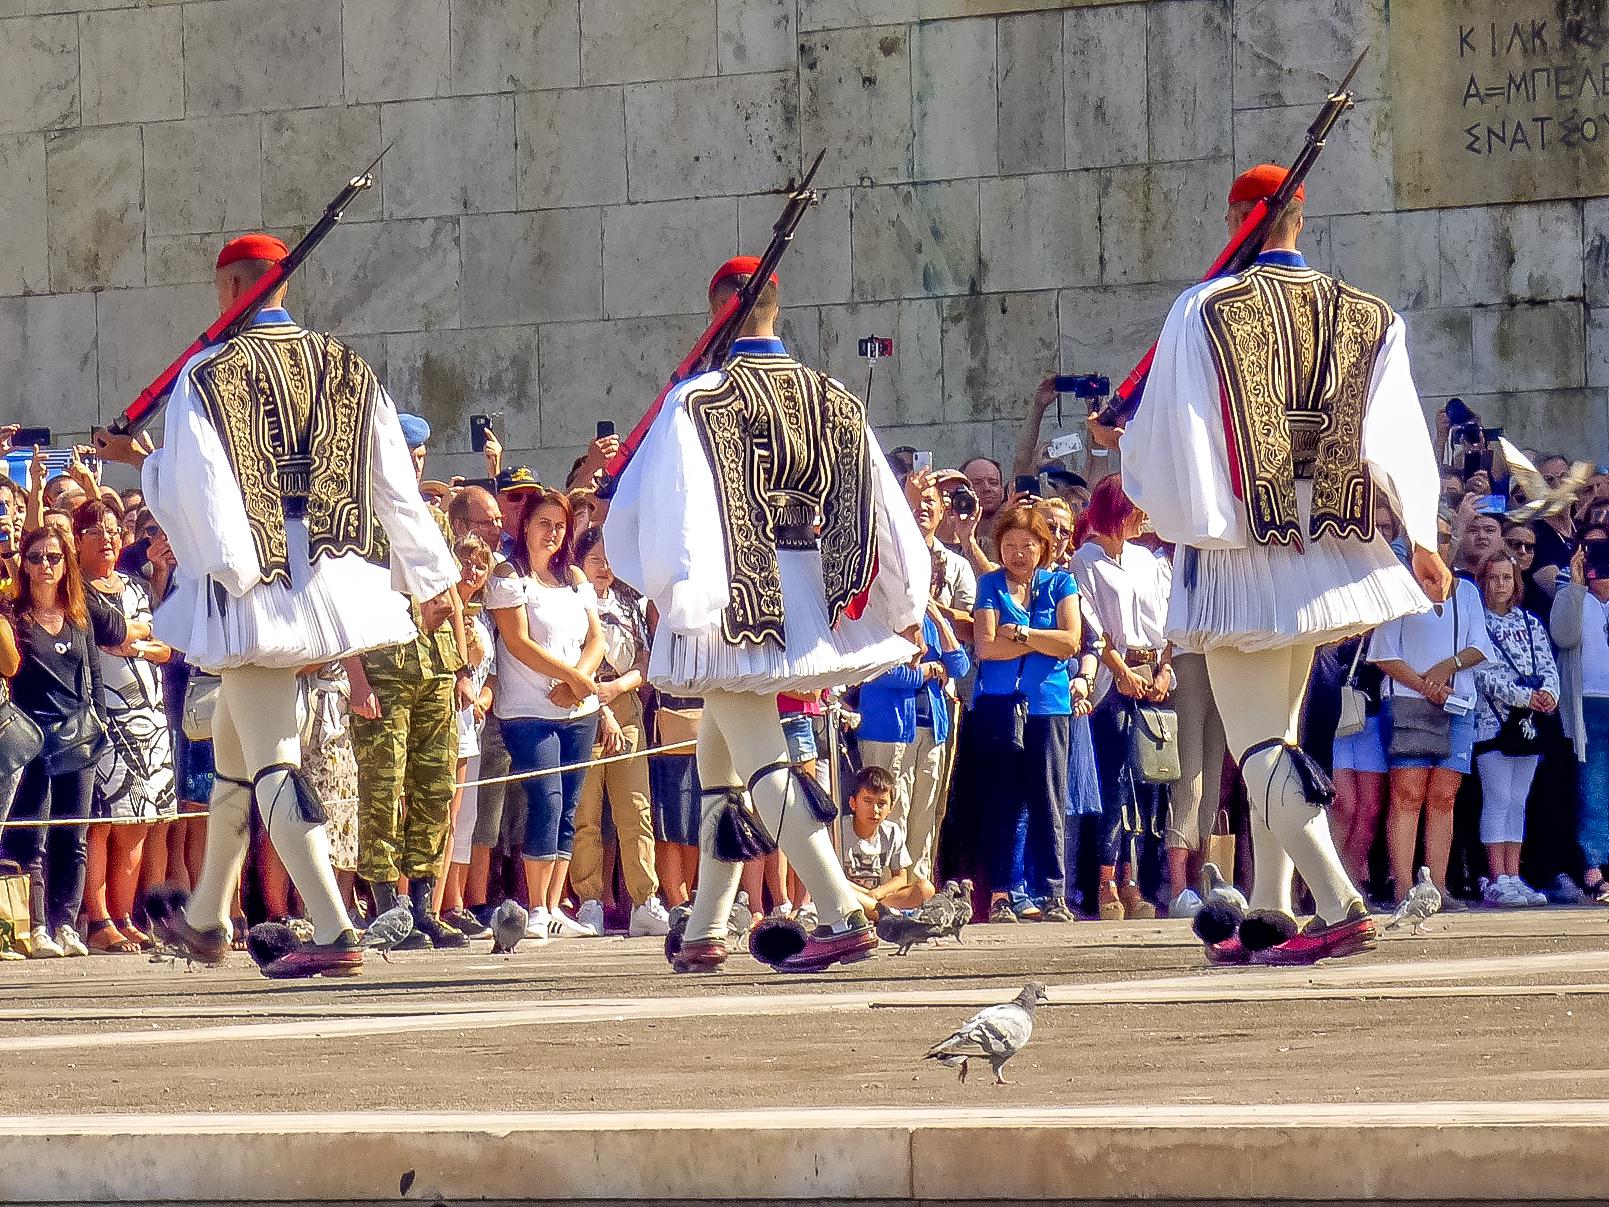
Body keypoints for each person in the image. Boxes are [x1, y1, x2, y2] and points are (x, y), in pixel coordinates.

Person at [1098, 163, 1449, 963]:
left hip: (1240, 548)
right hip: (1328, 545)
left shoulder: (1203, 308)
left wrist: (1134, 467)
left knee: (1256, 745)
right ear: (1301, 215)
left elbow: (1173, 434)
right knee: (1280, 736)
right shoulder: (1369, 313)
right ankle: (1268, 908)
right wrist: (1421, 535)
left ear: (1236, 219)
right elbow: (1395, 433)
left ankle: (1335, 899)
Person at [94, 231, 462, 977]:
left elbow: (198, 490)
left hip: (255, 589)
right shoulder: (349, 366)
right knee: (237, 753)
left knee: (271, 760)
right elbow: (394, 478)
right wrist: (431, 574)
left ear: (231, 290)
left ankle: (332, 925)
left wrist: (144, 464)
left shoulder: (209, 371)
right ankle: (205, 917)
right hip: (333, 583)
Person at [605, 254, 928, 973]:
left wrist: (676, 596)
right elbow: (885, 510)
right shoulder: (834, 396)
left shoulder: (698, 399)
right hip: (811, 597)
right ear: (775, 306)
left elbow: (668, 514)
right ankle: (704, 928)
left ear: (717, 309)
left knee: (761, 765)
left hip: (730, 603)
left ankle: (839, 911)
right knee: (720, 769)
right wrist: (902, 602)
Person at [345, 411, 471, 951]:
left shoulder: (434, 521)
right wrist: (355, 678)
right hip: (384, 670)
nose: (416, 465)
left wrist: (462, 663)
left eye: (421, 457)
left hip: (435, 668)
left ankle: (422, 903)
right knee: (383, 788)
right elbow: (348, 605)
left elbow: (452, 593)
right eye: (407, 456)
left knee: (435, 786)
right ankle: (386, 906)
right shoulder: (360, 523)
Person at [485, 488, 605, 940]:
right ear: (526, 526)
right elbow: (516, 641)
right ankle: (535, 906)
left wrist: (578, 681)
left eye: (560, 525)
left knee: (569, 807)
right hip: (528, 710)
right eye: (543, 523)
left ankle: (554, 907)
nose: (552, 532)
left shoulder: (575, 577)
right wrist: (571, 680)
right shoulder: (508, 574)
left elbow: (596, 641)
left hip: (578, 709)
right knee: (546, 800)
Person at [968, 503, 1081, 923]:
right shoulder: (990, 585)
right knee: (1003, 801)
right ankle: (1002, 893)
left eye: (1027, 545)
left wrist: (1023, 634)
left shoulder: (1061, 583)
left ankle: (1053, 892)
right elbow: (986, 646)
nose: (1018, 553)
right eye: (1010, 545)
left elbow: (1070, 642)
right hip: (999, 706)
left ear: (1043, 547)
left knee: (1049, 799)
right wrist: (1040, 643)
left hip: (1049, 706)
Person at [1, 527, 108, 958]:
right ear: (23, 567)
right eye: (36, 558)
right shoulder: (14, 617)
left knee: (74, 836)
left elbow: (94, 677)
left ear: (67, 565)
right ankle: (38, 926)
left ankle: (67, 924)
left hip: (79, 740)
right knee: (34, 839)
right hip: (34, 740)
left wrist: (99, 721)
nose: (46, 566)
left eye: (54, 558)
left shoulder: (79, 615)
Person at [74, 501, 176, 954]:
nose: (109, 538)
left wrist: (134, 643)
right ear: (77, 539)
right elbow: (109, 635)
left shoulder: (137, 586)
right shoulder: (76, 590)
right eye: (96, 530)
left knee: (139, 823)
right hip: (105, 716)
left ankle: (125, 914)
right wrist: (137, 637)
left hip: (150, 716)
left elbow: (168, 647)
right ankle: (98, 920)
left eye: (114, 530)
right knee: (101, 825)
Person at [570, 527, 669, 938]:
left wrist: (619, 689)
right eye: (595, 560)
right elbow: (572, 656)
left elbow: (645, 659)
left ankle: (644, 899)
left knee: (635, 809)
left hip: (625, 703)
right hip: (582, 703)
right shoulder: (573, 602)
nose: (604, 568)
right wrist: (600, 704)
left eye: (609, 560)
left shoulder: (630, 602)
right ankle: (589, 900)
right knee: (586, 814)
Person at [1371, 571, 1490, 905]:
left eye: (1445, 536)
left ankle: (1437, 887)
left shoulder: (1466, 590)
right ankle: (1403, 888)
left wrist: (1446, 667)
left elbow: (1480, 646)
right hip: (1408, 701)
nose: (1439, 544)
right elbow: (1382, 652)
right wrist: (1424, 685)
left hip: (1458, 703)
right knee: (1407, 795)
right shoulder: (1398, 585)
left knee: (1445, 797)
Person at [856, 598, 970, 884]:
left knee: (925, 814)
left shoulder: (928, 622)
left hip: (932, 730)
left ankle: (917, 890)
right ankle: (887, 890)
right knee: (892, 812)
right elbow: (881, 671)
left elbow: (960, 666)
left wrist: (939, 618)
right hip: (888, 730)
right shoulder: (878, 616)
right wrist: (927, 671)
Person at [1472, 550, 1557, 907]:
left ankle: (1513, 873)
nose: (1500, 585)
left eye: (1507, 578)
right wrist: (1523, 696)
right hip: (1492, 723)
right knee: (1498, 798)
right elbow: (1481, 673)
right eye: (1493, 578)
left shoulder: (1531, 622)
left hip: (1527, 726)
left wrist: (1549, 694)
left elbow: (1549, 663)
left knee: (1518, 800)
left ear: (1516, 582)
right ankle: (1496, 876)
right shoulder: (1477, 622)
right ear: (1483, 582)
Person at [1549, 534, 1609, 902]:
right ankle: (1593, 867)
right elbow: (1564, 636)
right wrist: (1575, 583)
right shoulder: (1570, 594)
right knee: (1594, 789)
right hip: (1587, 706)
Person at [840, 765, 934, 917]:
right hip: (848, 894)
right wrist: (867, 895)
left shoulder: (892, 831)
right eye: (868, 801)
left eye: (881, 803)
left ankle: (876, 911)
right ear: (853, 803)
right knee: (836, 887)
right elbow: (835, 878)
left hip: (878, 898)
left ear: (890, 806)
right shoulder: (840, 830)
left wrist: (876, 894)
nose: (875, 810)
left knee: (925, 888)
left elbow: (900, 877)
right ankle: (879, 914)